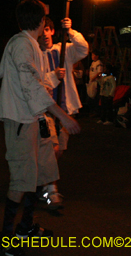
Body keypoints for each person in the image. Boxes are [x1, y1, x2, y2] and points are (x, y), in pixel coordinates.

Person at [0, 0, 80, 255]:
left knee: (40, 173)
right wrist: (63, 116)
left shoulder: (32, 45)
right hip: (22, 120)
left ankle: (26, 227)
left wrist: (54, 80)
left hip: (37, 119)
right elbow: (30, 86)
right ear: (41, 22)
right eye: (45, 16)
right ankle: (6, 238)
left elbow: (39, 83)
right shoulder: (22, 44)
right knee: (22, 178)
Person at [39, 16, 88, 209]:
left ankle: (44, 184)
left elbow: (83, 49)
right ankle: (51, 189)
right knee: (53, 149)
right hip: (46, 110)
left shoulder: (63, 50)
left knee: (58, 152)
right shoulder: (35, 54)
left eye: (48, 30)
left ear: (52, 31)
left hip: (65, 108)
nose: (45, 34)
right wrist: (52, 76)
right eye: (41, 30)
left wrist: (71, 32)